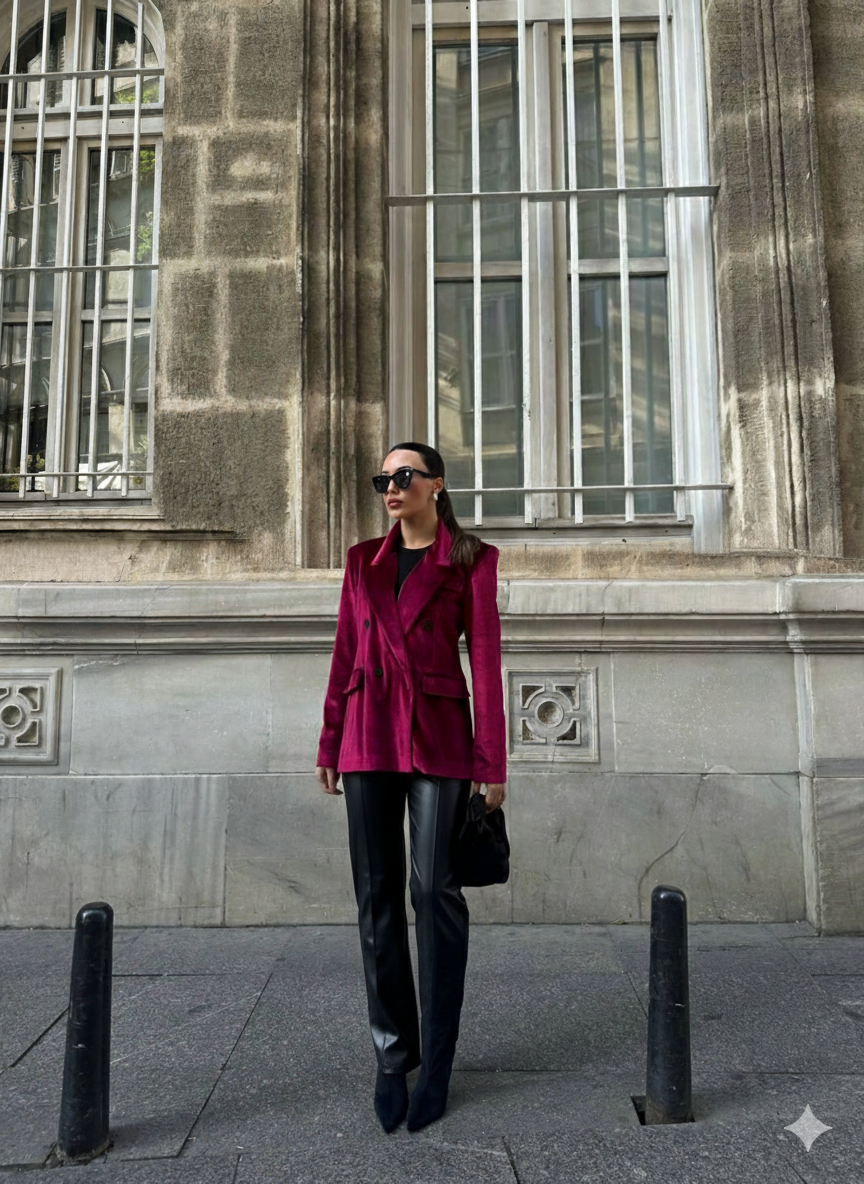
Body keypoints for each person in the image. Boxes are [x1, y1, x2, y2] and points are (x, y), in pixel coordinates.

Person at [315, 441, 507, 1134]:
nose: (391, 488)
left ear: (437, 485)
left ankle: (440, 1064)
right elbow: (345, 652)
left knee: (434, 893)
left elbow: (485, 661)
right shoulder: (362, 560)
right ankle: (393, 1056)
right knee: (376, 897)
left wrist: (492, 763)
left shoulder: (471, 559)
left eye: (404, 476)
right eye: (383, 479)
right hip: (368, 730)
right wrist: (329, 739)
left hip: (438, 734)